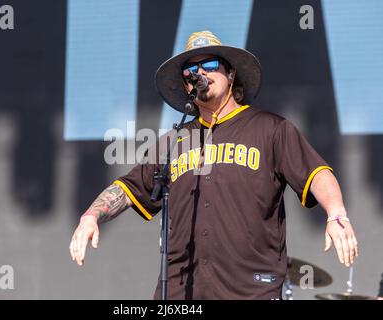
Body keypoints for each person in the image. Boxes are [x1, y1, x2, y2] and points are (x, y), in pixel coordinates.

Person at [69, 30, 358, 299]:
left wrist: (336, 214)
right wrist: (91, 216)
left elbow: (316, 172)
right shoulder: (175, 141)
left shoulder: (270, 129)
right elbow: (129, 187)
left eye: (209, 64)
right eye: (190, 71)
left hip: (250, 290)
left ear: (230, 73)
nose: (200, 73)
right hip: (181, 292)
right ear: (185, 85)